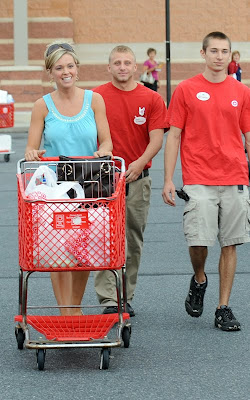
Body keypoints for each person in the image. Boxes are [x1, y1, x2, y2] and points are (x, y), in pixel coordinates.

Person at [162, 32, 250, 331]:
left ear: (230, 55)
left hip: (235, 175)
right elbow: (173, 135)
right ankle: (199, 278)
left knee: (231, 242)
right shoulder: (186, 89)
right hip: (198, 176)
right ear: (203, 54)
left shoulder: (242, 91)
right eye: (213, 51)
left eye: (224, 51)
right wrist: (168, 180)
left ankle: (223, 307)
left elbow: (248, 134)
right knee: (198, 241)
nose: (219, 56)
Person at [25, 40, 112, 316]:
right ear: (51, 72)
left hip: (88, 182)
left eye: (70, 66)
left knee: (82, 251)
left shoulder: (94, 100)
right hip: (55, 189)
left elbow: (107, 140)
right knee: (58, 251)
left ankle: (75, 306)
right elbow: (31, 147)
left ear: (78, 69)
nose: (66, 72)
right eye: (60, 67)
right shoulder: (42, 106)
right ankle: (66, 311)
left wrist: (104, 151)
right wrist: (32, 152)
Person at [93, 45, 167, 316]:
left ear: (136, 67)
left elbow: (157, 138)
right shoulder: (96, 96)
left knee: (132, 240)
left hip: (137, 179)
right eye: (117, 62)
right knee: (103, 240)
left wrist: (137, 164)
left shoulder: (151, 99)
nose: (122, 67)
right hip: (102, 181)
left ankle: (125, 295)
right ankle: (108, 299)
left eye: (127, 62)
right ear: (109, 67)